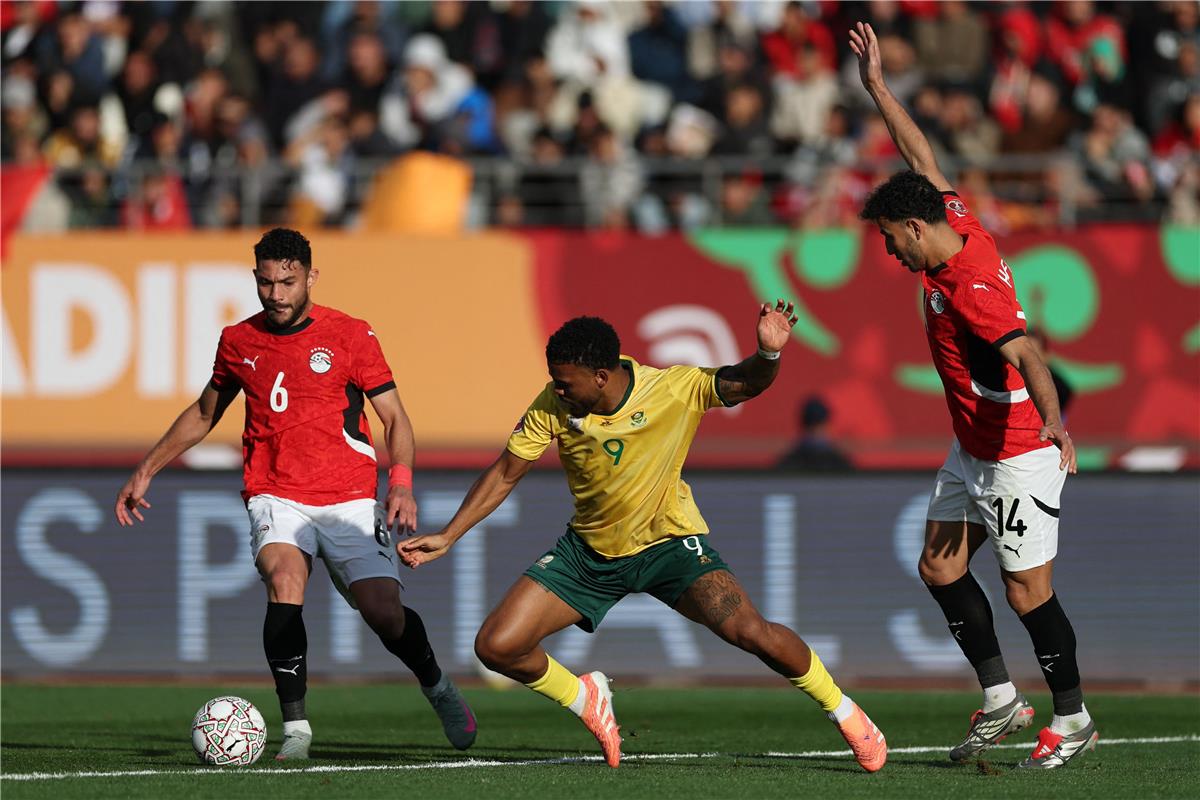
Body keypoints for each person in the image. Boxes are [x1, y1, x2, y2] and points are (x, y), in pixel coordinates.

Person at [398, 305, 887, 772]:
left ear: (602, 377)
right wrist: (449, 535)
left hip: (670, 546)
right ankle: (585, 698)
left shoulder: (671, 389)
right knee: (496, 647)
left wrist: (769, 355)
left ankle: (846, 712)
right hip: (588, 554)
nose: (556, 390)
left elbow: (743, 383)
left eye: (565, 383)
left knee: (752, 633)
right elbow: (505, 473)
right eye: (554, 381)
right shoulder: (554, 404)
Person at [115, 227, 476, 760]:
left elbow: (394, 416)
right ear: (255, 279)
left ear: (311, 276)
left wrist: (400, 483)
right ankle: (298, 728)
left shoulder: (351, 334)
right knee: (284, 580)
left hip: (350, 496)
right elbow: (203, 413)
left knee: (385, 613)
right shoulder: (238, 341)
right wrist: (146, 468)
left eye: (287, 282)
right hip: (274, 492)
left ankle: (436, 685)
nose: (276, 295)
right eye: (266, 283)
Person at [849, 22, 1096, 770]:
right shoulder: (954, 222)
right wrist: (880, 90)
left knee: (1027, 595)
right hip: (971, 446)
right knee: (941, 568)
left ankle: (1076, 719)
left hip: (1017, 452)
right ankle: (1000, 701)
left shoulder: (971, 288)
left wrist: (1056, 429)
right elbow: (922, 157)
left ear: (917, 227)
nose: (892, 254)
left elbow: (1029, 354)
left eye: (894, 239)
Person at [776, 395, 854, 471]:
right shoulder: (839, 462)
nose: (816, 433)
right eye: (813, 427)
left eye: (819, 427)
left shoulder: (790, 461)